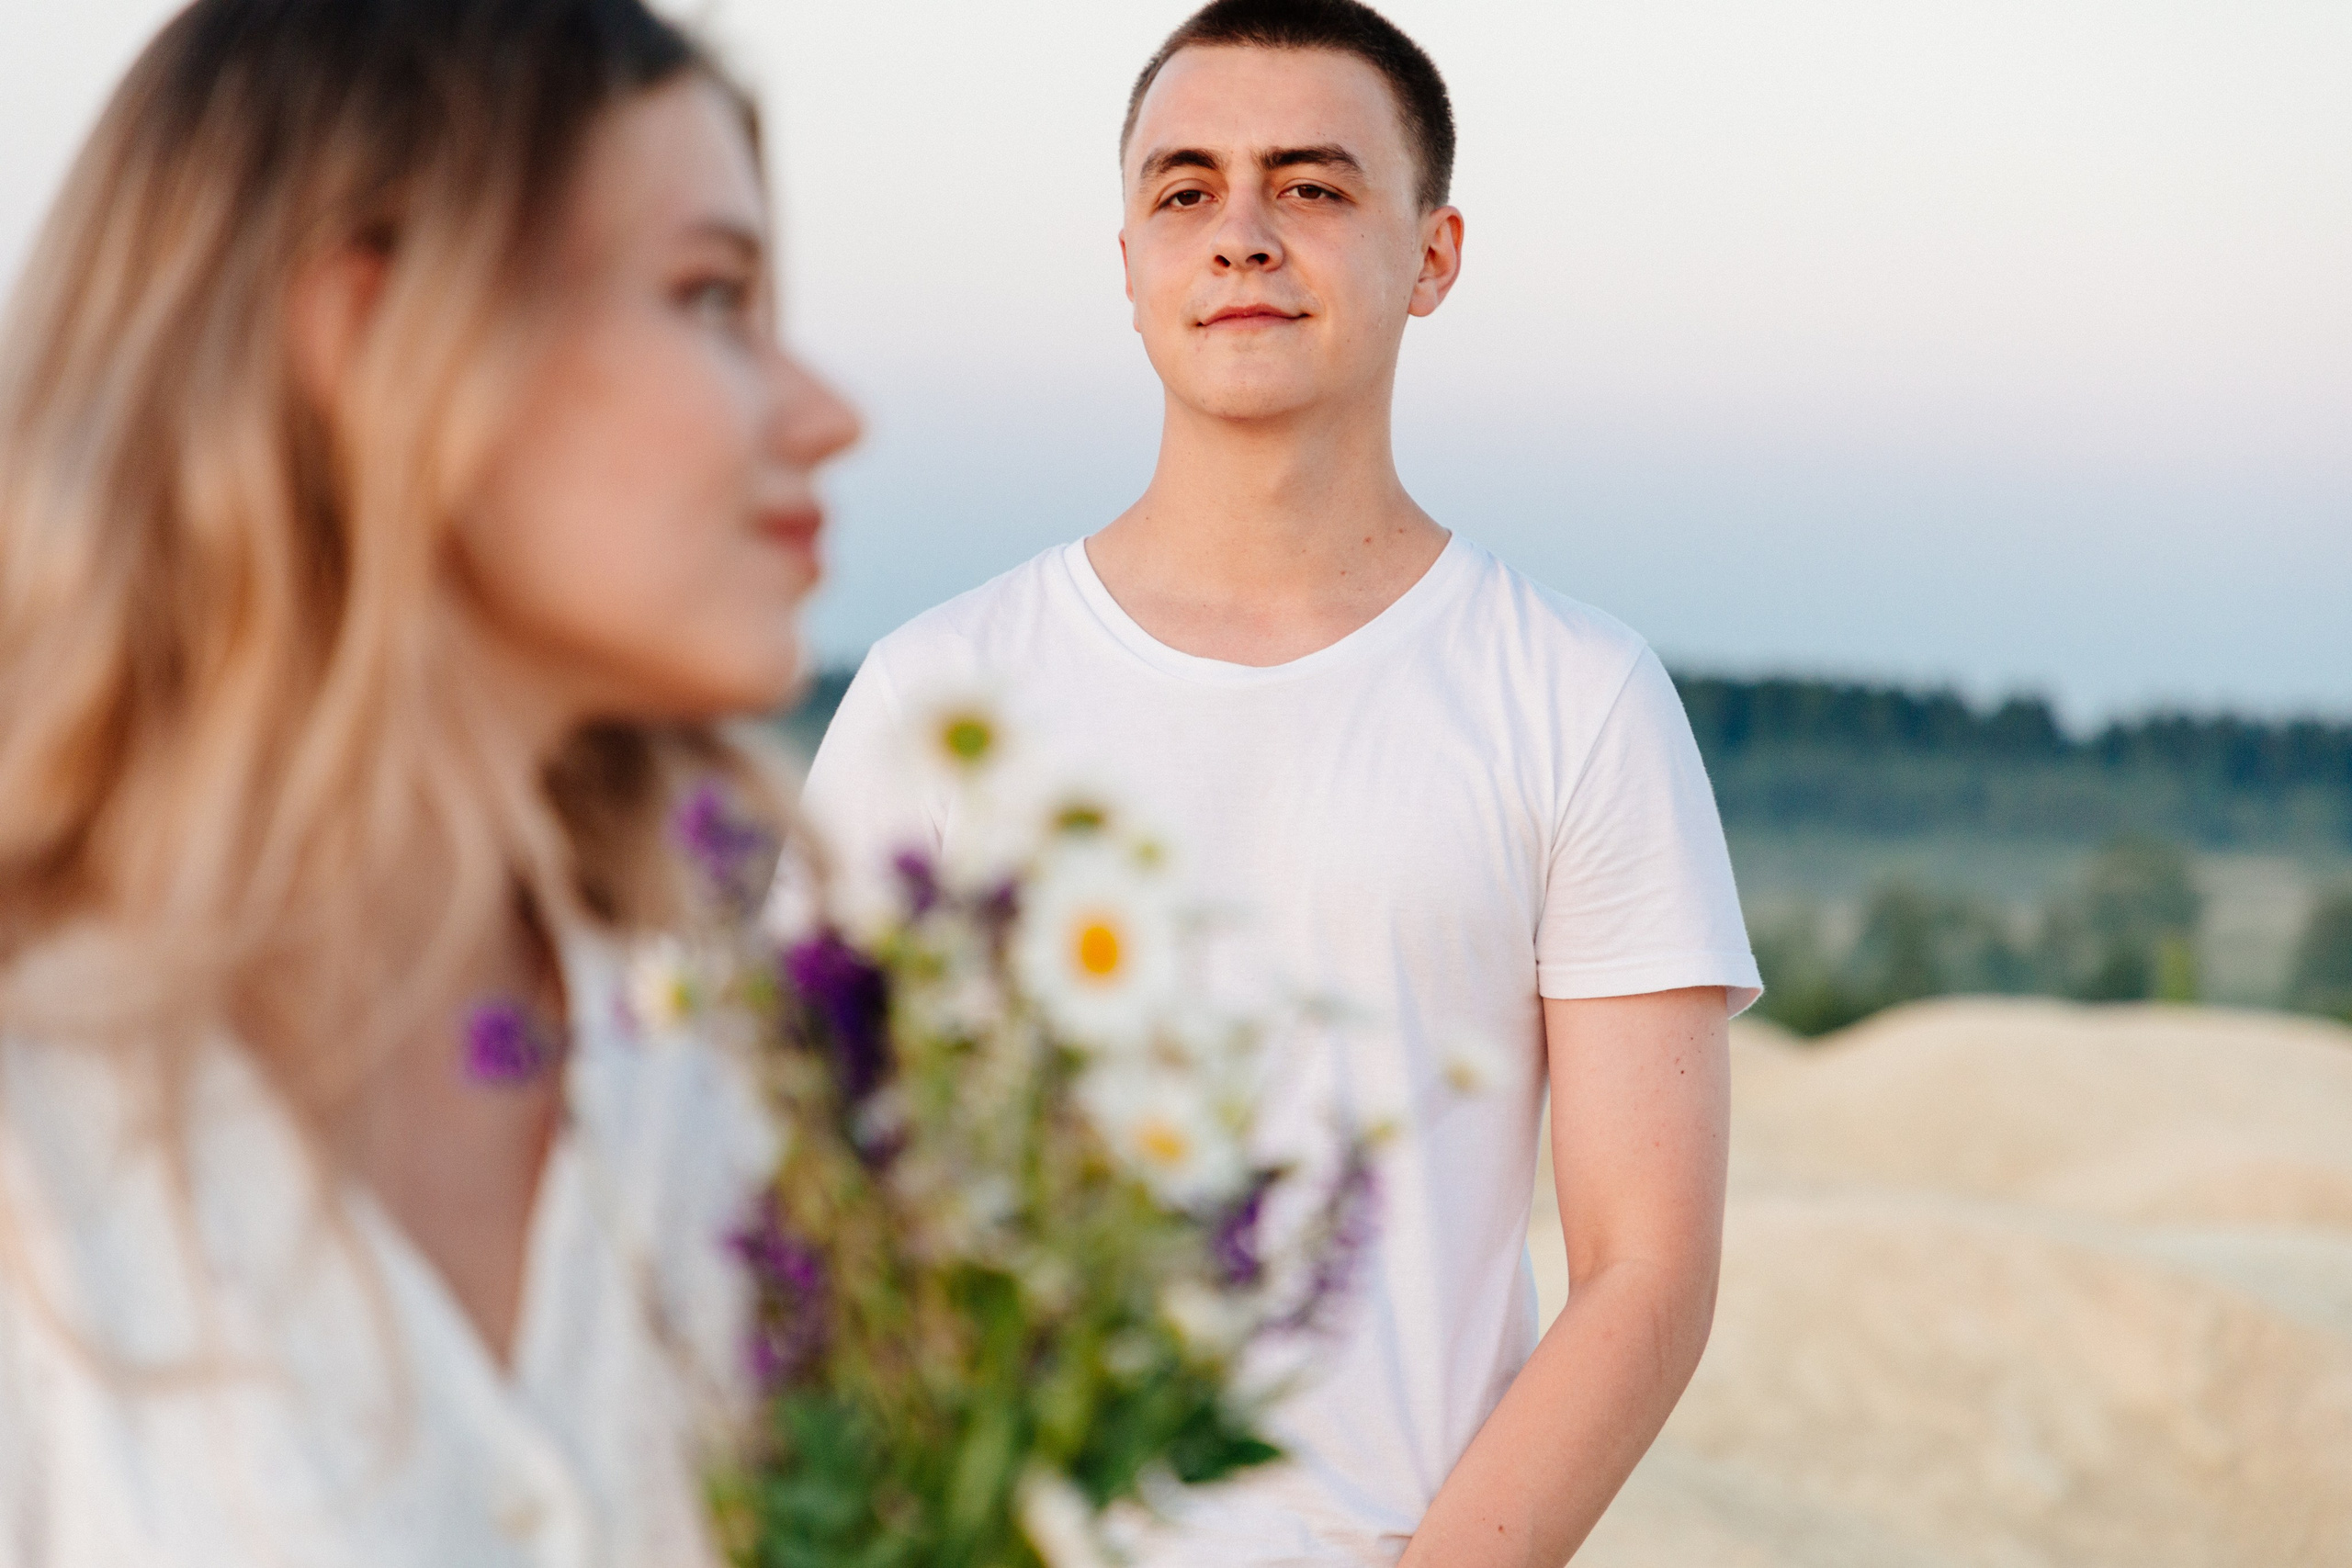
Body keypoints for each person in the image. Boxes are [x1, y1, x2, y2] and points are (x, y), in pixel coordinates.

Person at [800, 1, 1760, 1562]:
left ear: (1434, 255)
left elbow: (1648, 1268)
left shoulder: (1578, 698)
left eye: (1311, 187)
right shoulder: (938, 696)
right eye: (1185, 191)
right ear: (1128, 264)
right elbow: (821, 1201)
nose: (1239, 232)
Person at [0, 2, 857, 1562]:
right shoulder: (39, 1125)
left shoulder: (745, 1092)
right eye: (711, 296)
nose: (825, 412)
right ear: (376, 339)